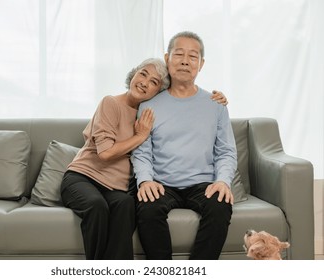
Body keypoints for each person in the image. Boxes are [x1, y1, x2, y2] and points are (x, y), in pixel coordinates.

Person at [60, 58, 228, 260]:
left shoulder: (151, 113)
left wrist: (216, 99)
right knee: (97, 207)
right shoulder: (110, 102)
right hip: (83, 177)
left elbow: (186, 110)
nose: (145, 82)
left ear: (159, 92)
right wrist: (140, 136)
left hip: (116, 187)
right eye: (143, 74)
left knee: (126, 207)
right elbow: (105, 153)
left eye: (154, 82)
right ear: (133, 75)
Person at [131, 31, 237, 260]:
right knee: (147, 208)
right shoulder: (149, 105)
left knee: (220, 206)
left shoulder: (216, 104)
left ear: (201, 64)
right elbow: (141, 151)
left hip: (203, 183)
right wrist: (145, 180)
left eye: (193, 56)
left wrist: (222, 181)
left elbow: (226, 151)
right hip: (162, 183)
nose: (185, 61)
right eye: (178, 54)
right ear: (167, 58)